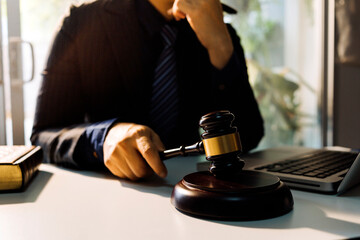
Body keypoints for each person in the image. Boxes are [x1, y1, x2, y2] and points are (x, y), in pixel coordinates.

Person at [31, 0, 264, 181]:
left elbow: (250, 135)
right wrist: (104, 138)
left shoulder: (221, 32)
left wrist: (221, 47)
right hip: (108, 199)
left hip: (200, 200)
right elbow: (43, 135)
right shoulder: (81, 22)